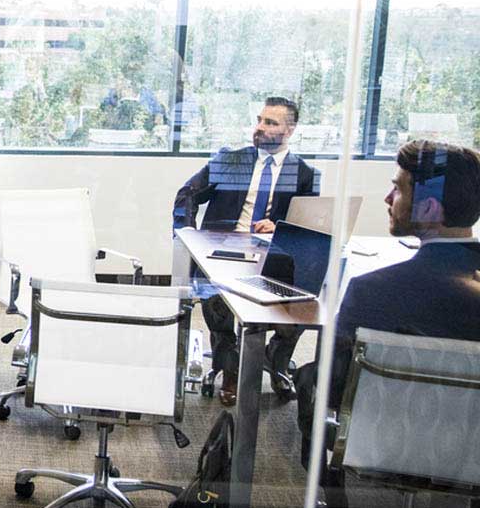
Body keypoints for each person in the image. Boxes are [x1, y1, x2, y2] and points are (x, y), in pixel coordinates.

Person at [296, 140, 480, 505]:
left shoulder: (372, 291)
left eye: (397, 188)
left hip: (387, 444)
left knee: (309, 378)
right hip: (470, 452)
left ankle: (332, 496)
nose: (387, 198)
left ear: (429, 207)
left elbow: (335, 388)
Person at [173, 96, 320, 406]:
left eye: (271, 123)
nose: (260, 128)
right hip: (223, 252)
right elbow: (186, 195)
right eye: (259, 120)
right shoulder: (231, 160)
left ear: (290, 130)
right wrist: (187, 235)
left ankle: (274, 361)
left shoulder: (304, 174)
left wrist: (280, 227)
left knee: (303, 310)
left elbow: (308, 226)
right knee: (218, 305)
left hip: (274, 258)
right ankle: (231, 369)